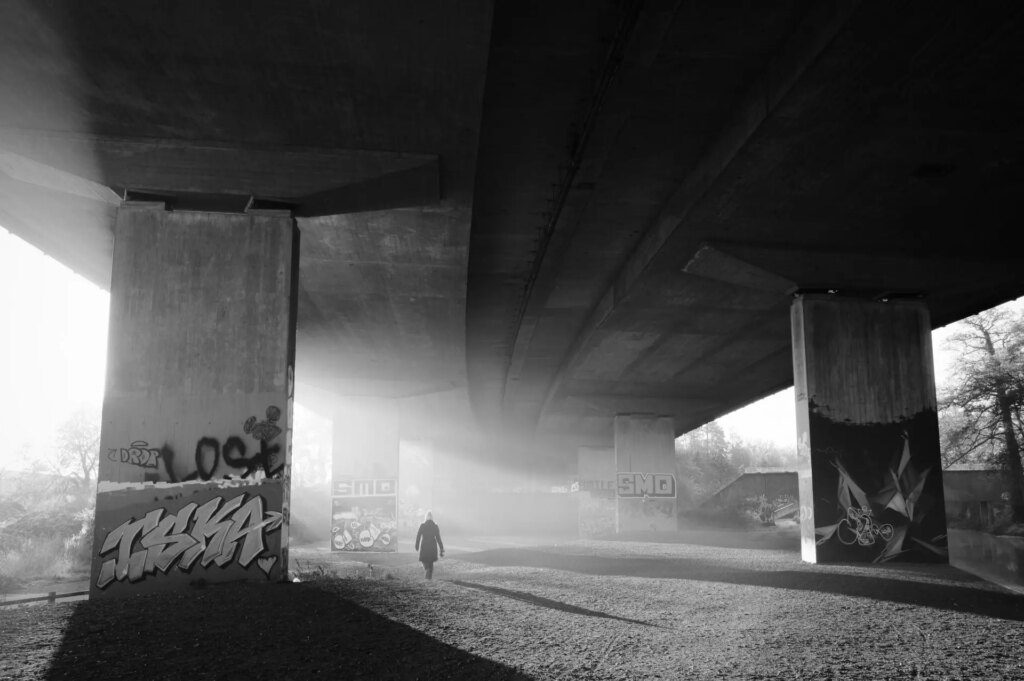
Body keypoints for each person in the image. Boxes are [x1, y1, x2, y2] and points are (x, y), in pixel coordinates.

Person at [414, 510, 445, 580]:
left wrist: (417, 546)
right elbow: (438, 538)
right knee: (430, 563)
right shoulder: (435, 526)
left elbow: (418, 536)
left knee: (424, 561)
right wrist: (441, 548)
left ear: (425, 518)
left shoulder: (422, 526)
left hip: (424, 545)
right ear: (432, 518)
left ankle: (427, 576)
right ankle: (428, 579)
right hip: (432, 547)